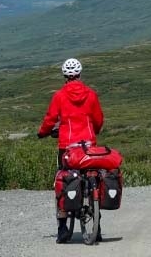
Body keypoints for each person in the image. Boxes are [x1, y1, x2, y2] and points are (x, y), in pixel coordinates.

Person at [37, 58, 104, 244]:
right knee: (93, 176)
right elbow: (98, 119)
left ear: (65, 76)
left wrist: (42, 133)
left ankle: (63, 228)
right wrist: (93, 131)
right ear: (80, 74)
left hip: (67, 146)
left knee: (63, 179)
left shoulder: (59, 96)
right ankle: (97, 224)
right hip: (88, 145)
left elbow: (50, 119)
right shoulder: (91, 94)